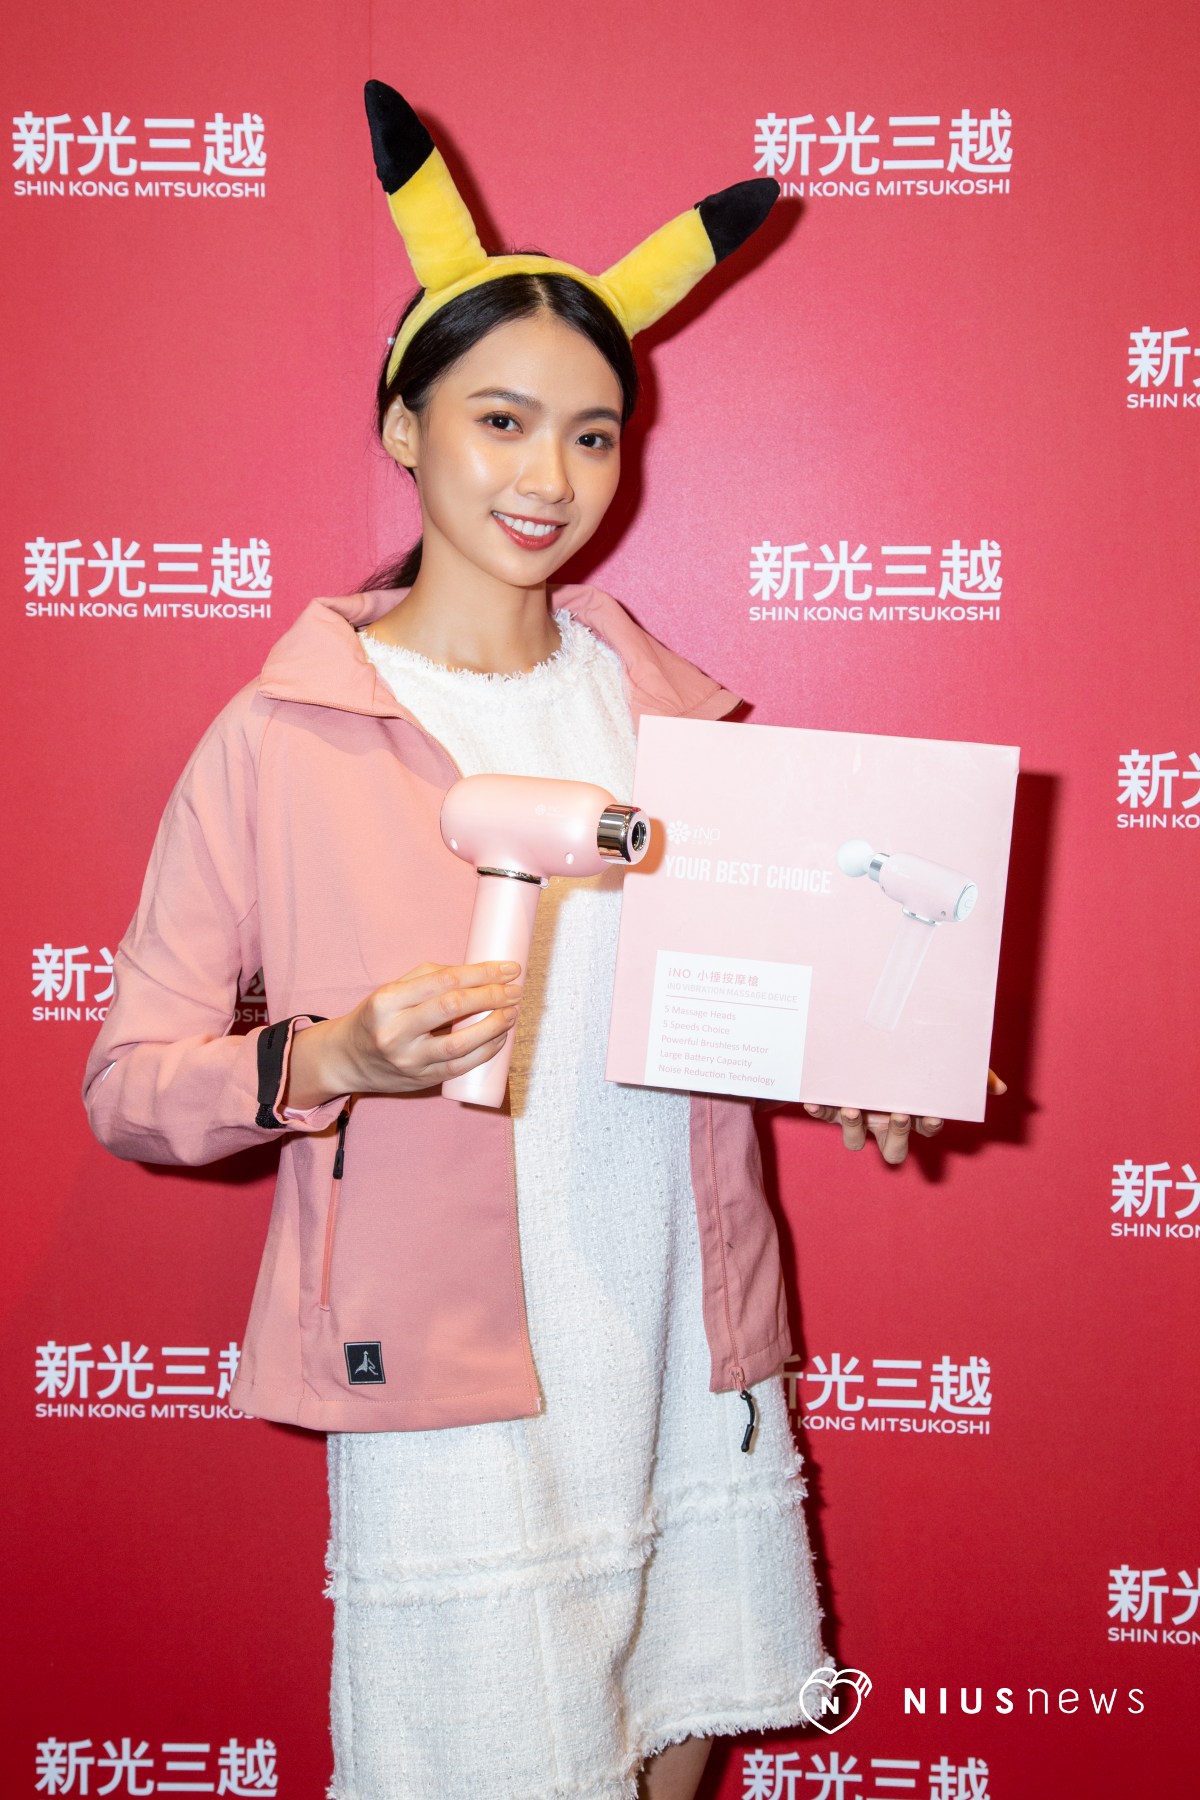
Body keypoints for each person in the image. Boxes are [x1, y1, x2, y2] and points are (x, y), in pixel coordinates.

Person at [81, 81, 1004, 1800]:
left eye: (593, 433)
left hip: (676, 1335)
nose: (550, 477)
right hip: (452, 1375)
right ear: (402, 425)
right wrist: (333, 1056)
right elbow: (130, 1082)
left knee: (672, 1732)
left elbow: (738, 1000)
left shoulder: (675, 723)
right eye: (501, 420)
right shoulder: (287, 735)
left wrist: (866, 1064)